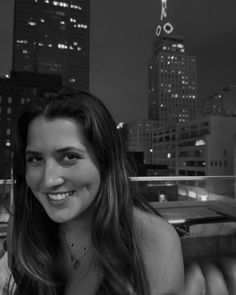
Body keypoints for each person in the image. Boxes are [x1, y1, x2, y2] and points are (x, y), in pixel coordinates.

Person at [4, 87, 185, 295]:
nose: (49, 179)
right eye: (35, 159)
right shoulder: (21, 224)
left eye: (69, 156)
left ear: (105, 160)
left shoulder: (153, 240)